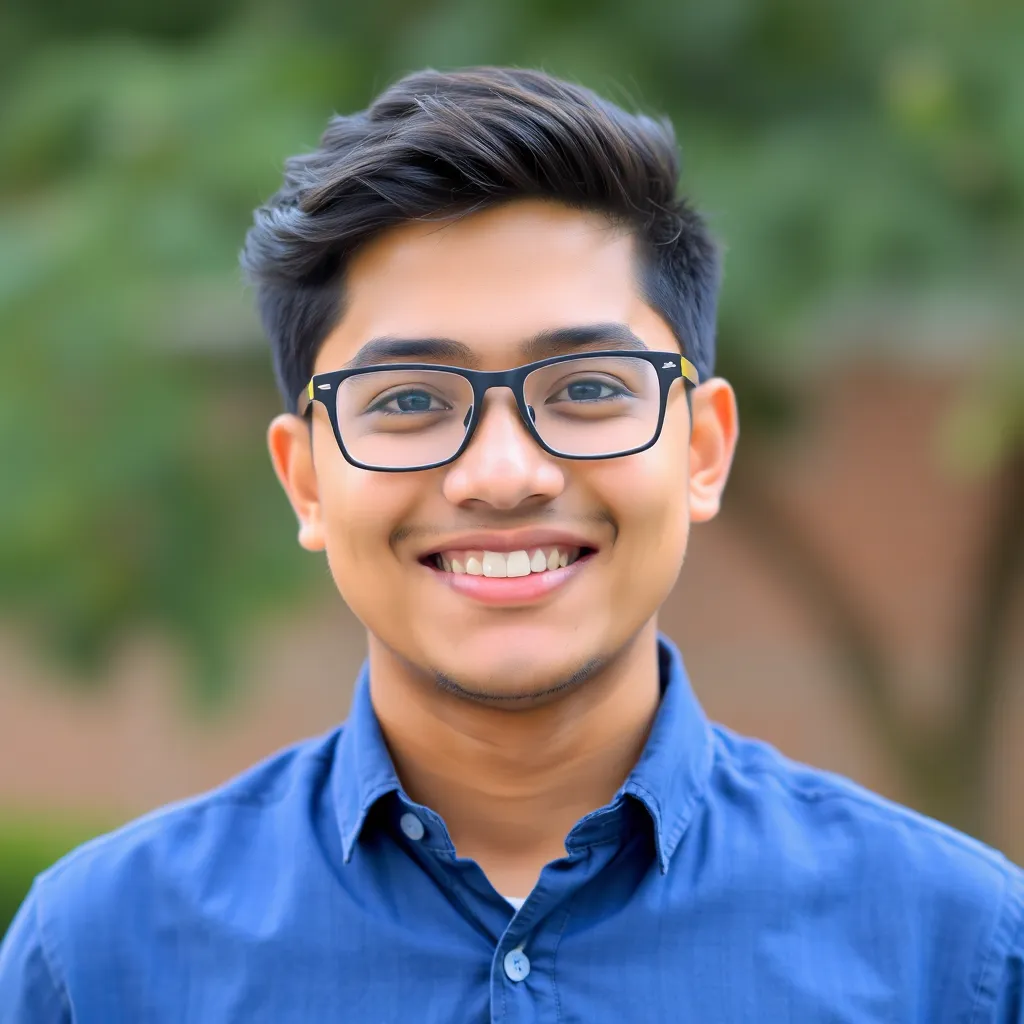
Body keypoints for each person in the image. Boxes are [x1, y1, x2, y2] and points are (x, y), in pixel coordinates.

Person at [1, 65, 1020, 1023]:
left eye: (584, 389)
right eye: (407, 399)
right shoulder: (100, 959)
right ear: (306, 479)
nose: (503, 473)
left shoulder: (957, 956)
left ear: (703, 449)